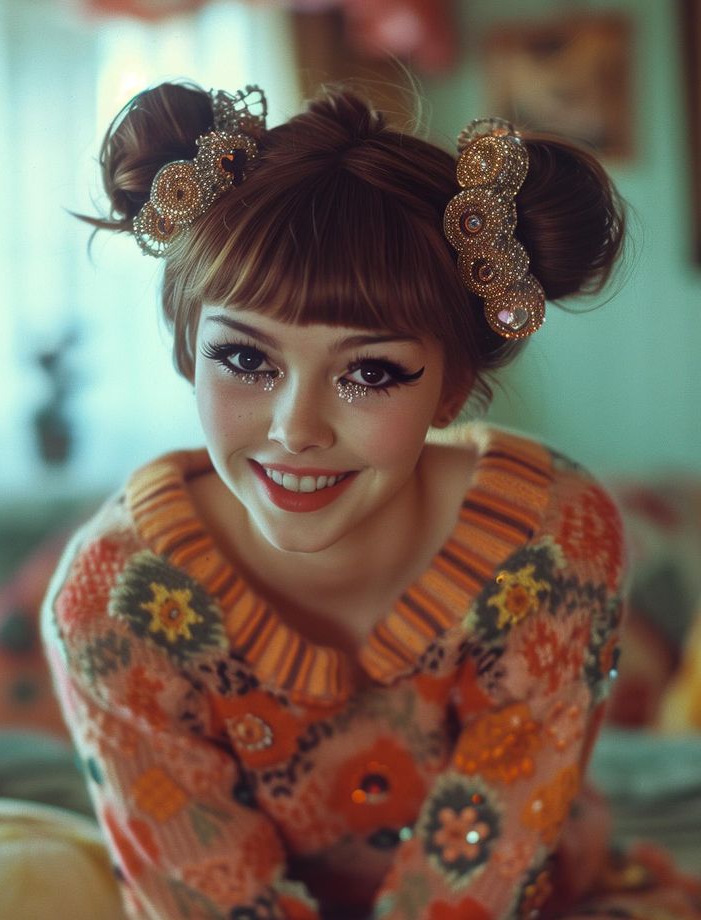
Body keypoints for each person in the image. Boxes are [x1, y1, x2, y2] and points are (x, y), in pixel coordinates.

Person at [42, 82, 701, 920]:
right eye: (246, 360)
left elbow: (488, 880)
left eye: (371, 372)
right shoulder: (109, 602)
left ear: (452, 387)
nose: (298, 429)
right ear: (186, 350)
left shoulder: (554, 545)